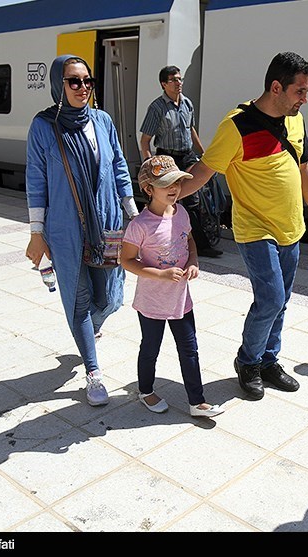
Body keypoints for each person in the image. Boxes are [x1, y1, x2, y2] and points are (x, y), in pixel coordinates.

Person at [175, 51, 308, 401]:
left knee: (281, 301)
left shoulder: (296, 120)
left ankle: (269, 361)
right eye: (300, 91)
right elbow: (204, 171)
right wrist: (166, 199)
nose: (305, 99)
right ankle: (248, 362)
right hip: (255, 229)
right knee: (271, 298)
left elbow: (303, 167)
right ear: (276, 87)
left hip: (291, 227)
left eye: (307, 91)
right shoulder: (237, 125)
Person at [25, 54, 139, 407]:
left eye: (87, 81)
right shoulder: (44, 126)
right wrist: (36, 232)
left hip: (107, 222)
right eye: (74, 81)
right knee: (79, 299)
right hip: (64, 228)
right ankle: (93, 371)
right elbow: (36, 180)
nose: (83, 87)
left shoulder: (102, 121)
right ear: (58, 85)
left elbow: (119, 166)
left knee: (110, 298)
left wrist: (133, 213)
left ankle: (88, 328)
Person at [120, 155, 224, 418]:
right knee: (150, 348)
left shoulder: (182, 213)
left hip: (180, 300)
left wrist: (193, 261)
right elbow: (126, 260)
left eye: (176, 182)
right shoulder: (140, 225)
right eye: (165, 184)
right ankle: (145, 391)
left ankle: (197, 402)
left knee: (189, 348)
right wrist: (161, 274)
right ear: (148, 189)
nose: (174, 188)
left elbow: (189, 241)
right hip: (151, 301)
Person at [139, 65, 223, 258]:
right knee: (166, 199)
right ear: (163, 84)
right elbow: (145, 140)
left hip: (187, 156)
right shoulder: (157, 108)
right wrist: (149, 166)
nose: (179, 83)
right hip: (168, 159)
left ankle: (201, 245)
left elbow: (191, 130)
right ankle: (158, 239)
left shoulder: (187, 104)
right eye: (173, 80)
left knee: (193, 199)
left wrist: (204, 155)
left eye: (180, 79)